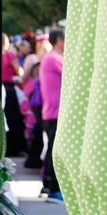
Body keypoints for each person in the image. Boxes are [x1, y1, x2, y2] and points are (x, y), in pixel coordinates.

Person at [38, 29, 65, 200]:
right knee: (55, 151)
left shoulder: (51, 58)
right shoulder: (54, 58)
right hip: (55, 111)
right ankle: (53, 188)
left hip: (52, 111)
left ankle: (48, 186)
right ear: (58, 41)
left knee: (52, 150)